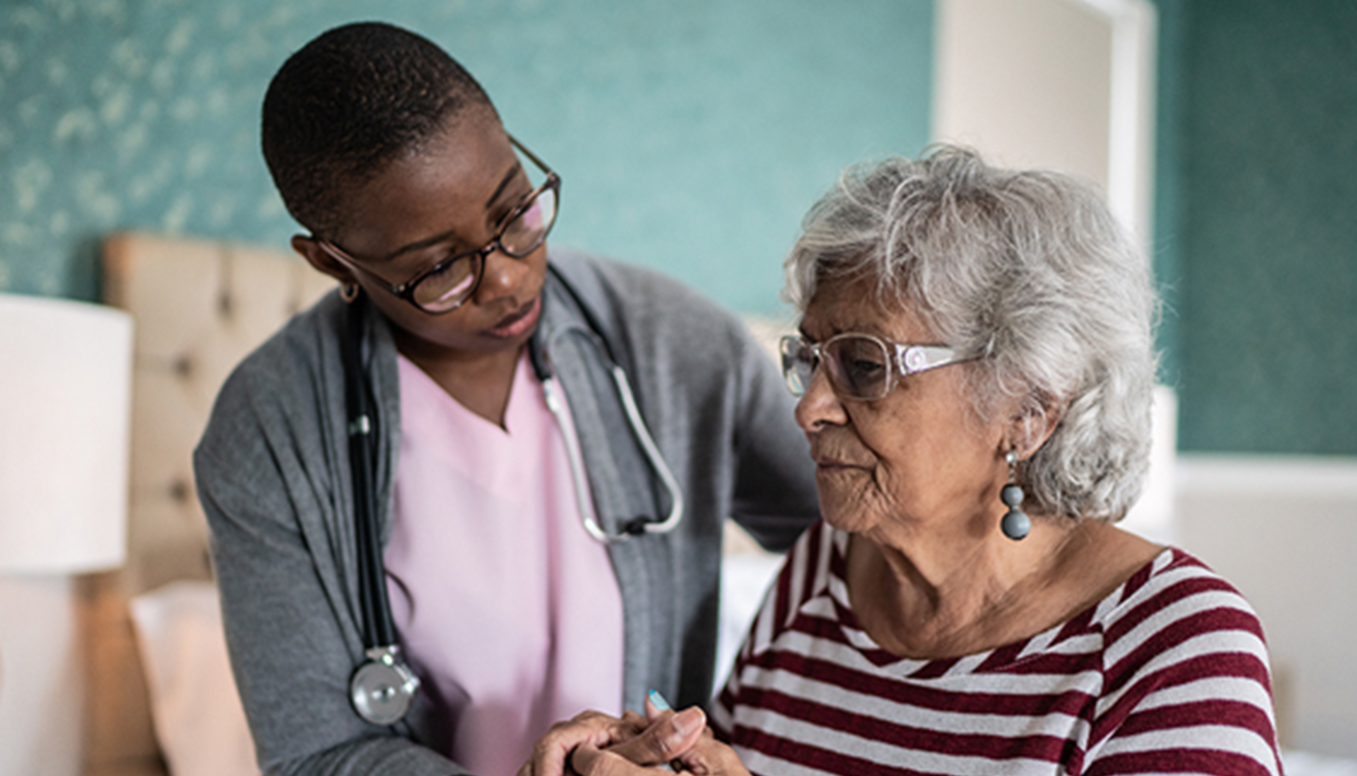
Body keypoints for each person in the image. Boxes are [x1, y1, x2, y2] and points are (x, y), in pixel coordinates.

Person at [530, 147, 1283, 775]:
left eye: (863, 365)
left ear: (1026, 409)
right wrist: (651, 757)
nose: (808, 409)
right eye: (811, 359)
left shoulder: (1175, 647)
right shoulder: (819, 575)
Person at [193, 21, 818, 776]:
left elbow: (866, 537)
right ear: (332, 261)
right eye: (439, 269)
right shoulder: (270, 432)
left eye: (513, 212)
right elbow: (315, 753)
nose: (507, 280)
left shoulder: (676, 345)